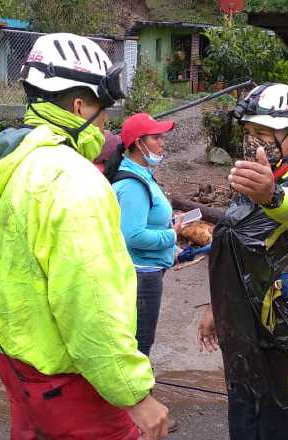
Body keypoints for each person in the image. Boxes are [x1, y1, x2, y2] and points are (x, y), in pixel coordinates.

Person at [0, 33, 168, 440]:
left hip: (17, 364)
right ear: (80, 106)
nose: (107, 121)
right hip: (69, 380)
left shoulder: (14, 164)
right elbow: (88, 301)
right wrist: (135, 394)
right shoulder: (74, 180)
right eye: (103, 108)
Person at [197, 83, 288, 440]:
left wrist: (272, 195)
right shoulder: (248, 190)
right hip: (242, 346)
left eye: (261, 133)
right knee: (243, 426)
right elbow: (238, 256)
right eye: (247, 132)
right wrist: (217, 309)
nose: (250, 141)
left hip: (283, 351)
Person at [113, 112, 178, 357]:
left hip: (146, 272)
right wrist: (173, 235)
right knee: (139, 348)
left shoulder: (142, 176)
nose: (162, 142)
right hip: (141, 277)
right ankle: (136, 394)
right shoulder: (132, 185)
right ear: (139, 144)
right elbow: (134, 236)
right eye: (156, 138)